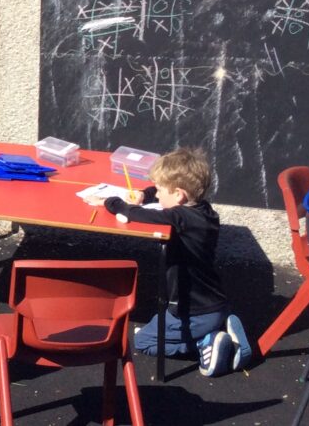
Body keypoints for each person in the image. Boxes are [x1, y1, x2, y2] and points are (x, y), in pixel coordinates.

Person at [98, 147, 252, 376]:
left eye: (160, 190)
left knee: (143, 342)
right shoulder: (204, 211)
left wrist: (112, 201)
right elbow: (159, 198)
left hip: (191, 313)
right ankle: (217, 329)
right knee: (153, 326)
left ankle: (205, 344)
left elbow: (137, 214)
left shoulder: (179, 217)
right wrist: (145, 194)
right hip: (214, 303)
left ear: (179, 194)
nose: (158, 195)